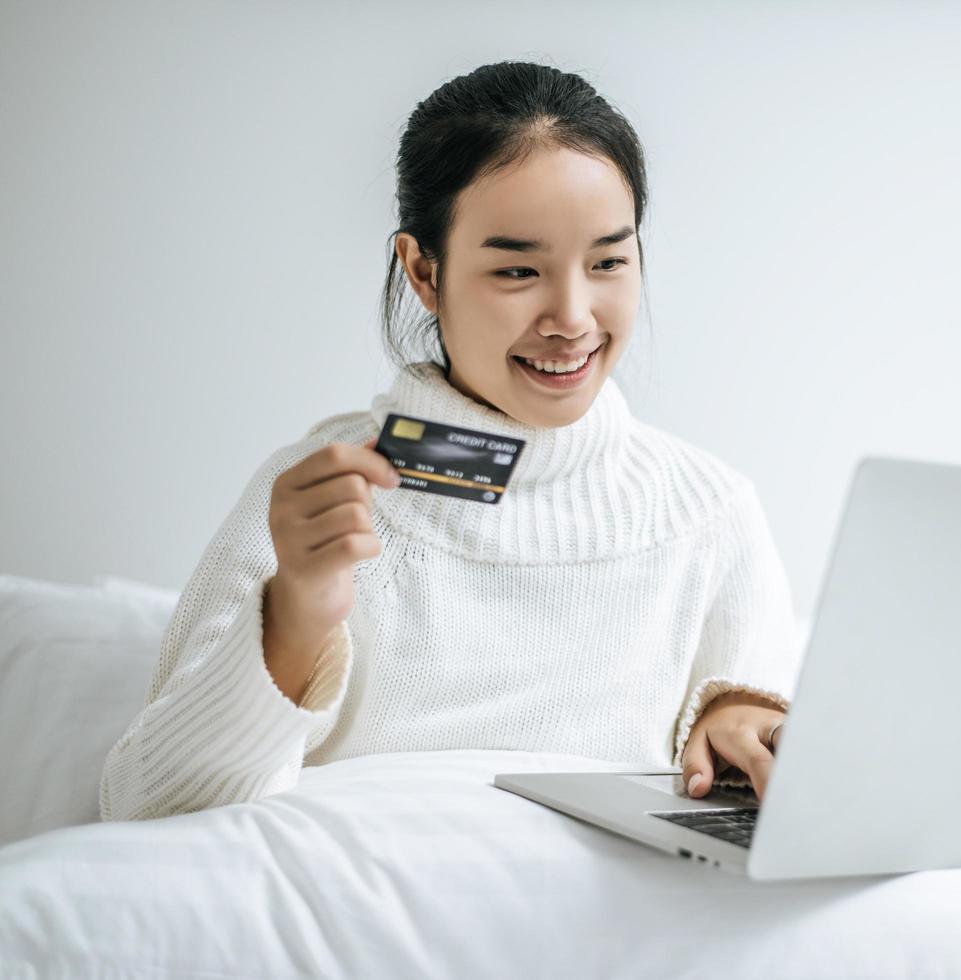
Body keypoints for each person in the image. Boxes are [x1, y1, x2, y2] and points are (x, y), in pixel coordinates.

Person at [99, 61, 799, 823]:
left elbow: (768, 787)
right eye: (517, 269)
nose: (570, 315)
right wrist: (296, 615)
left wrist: (737, 725)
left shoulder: (708, 514)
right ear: (423, 271)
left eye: (608, 261)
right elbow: (144, 808)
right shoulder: (321, 500)